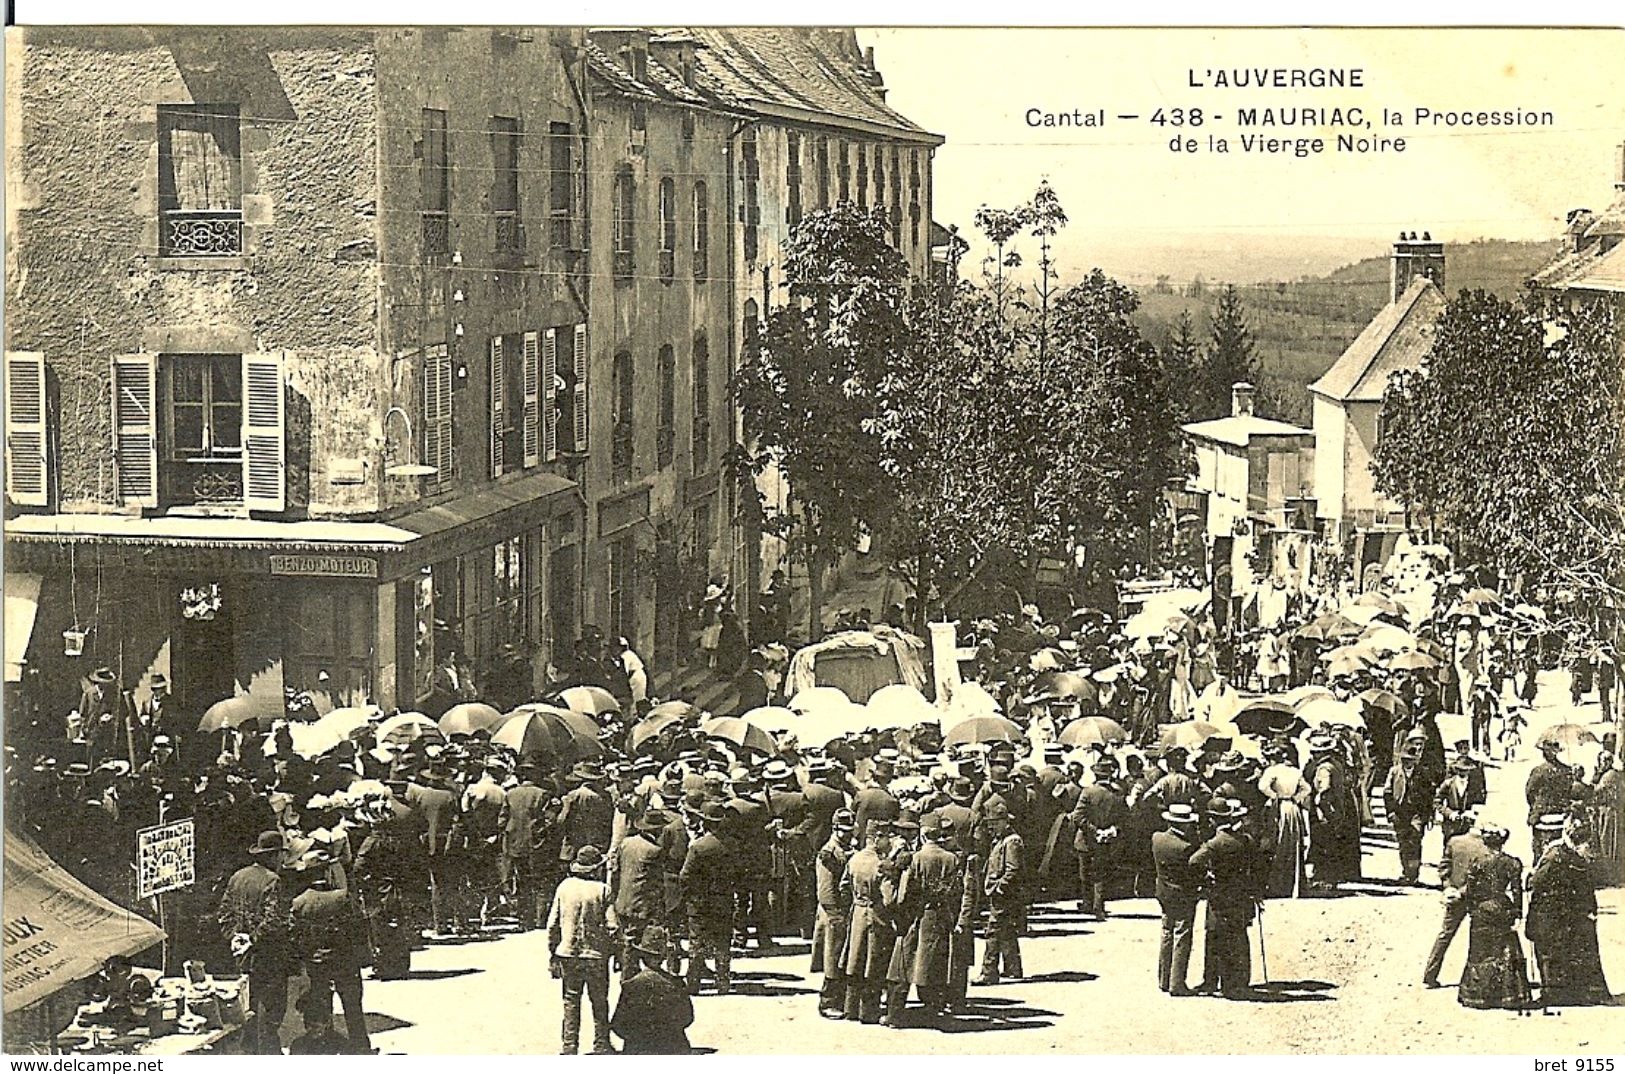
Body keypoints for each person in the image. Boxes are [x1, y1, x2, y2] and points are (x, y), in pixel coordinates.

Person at [288, 850, 373, 1054]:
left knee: (321, 1006)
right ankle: (360, 1049)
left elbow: (294, 937)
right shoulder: (343, 897)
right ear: (327, 873)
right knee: (353, 1007)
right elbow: (359, 930)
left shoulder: (299, 903)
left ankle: (325, 1048)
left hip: (316, 964)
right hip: (345, 962)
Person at [217, 830, 293, 1054]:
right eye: (280, 855)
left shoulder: (237, 877)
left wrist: (234, 937)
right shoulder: (272, 881)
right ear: (273, 856)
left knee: (248, 1004)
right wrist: (252, 939)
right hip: (269, 955)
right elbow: (273, 920)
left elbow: (224, 913)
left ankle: (250, 1052)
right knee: (271, 1009)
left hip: (242, 955)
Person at [1527, 816, 1614, 1006]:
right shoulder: (1571, 855)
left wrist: (1530, 878)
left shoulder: (1553, 855)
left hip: (1550, 912)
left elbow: (1537, 882)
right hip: (1570, 913)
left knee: (1549, 954)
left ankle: (1553, 994)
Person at [901, 815, 975, 1023]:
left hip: (923, 913)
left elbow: (909, 891)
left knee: (921, 958)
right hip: (945, 914)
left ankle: (929, 1002)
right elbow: (959, 891)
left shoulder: (917, 858)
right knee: (940, 959)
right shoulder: (952, 859)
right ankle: (939, 1001)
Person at [547, 845, 617, 1054]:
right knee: (599, 1000)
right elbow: (612, 926)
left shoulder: (564, 887)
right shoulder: (603, 889)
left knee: (571, 999)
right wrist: (612, 949)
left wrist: (553, 952)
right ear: (595, 869)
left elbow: (552, 925)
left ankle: (569, 1046)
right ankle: (601, 1043)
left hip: (569, 953)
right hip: (595, 955)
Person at [1456, 823, 1532, 1010]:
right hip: (1502, 908)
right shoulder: (1512, 863)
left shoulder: (1477, 862)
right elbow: (1517, 890)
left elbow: (1471, 891)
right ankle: (1509, 994)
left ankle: (1480, 994)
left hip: (1482, 910)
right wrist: (1517, 913)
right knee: (1505, 950)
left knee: (1481, 952)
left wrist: (1473, 910)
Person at [1191, 797, 1257, 999]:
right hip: (1241, 894)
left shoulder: (1214, 843)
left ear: (1212, 820)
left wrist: (1207, 876)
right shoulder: (1245, 840)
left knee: (1214, 936)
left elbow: (1194, 861)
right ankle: (1239, 980)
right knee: (1239, 936)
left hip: (1219, 894)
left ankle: (1212, 980)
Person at [1423, 810, 1492, 989]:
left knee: (1445, 934)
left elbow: (1444, 868)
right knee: (1478, 937)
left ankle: (1430, 975)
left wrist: (1448, 887)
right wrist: (1463, 891)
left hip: (1454, 896)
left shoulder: (1454, 841)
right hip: (1476, 898)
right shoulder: (1487, 849)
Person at [842, 819, 897, 1023]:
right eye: (886, 837)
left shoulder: (854, 859)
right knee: (873, 964)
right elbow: (889, 898)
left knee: (855, 961)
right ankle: (869, 1012)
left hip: (857, 913)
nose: (889, 841)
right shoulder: (881, 865)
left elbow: (843, 887)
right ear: (877, 839)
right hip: (876, 916)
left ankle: (850, 1008)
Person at [679, 801, 735, 995]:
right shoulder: (733, 844)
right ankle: (723, 982)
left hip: (699, 902)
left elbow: (685, 876)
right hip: (724, 900)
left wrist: (690, 895)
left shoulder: (698, 846)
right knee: (722, 942)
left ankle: (693, 983)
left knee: (697, 942)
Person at [611, 925, 695, 1054]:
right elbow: (687, 1018)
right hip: (674, 1046)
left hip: (640, 1048)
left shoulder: (633, 985)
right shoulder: (677, 984)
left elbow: (618, 1025)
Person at [1151, 802, 1203, 996]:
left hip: (1163, 891)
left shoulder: (1157, 838)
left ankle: (1164, 979)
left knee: (1167, 932)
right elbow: (1194, 871)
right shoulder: (1186, 847)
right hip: (1183, 893)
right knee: (1182, 935)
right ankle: (1177, 983)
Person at [613, 809, 671, 980]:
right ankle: (629, 977)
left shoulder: (626, 843)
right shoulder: (655, 850)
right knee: (634, 942)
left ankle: (627, 971)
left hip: (623, 899)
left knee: (627, 937)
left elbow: (616, 872)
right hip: (641, 903)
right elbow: (657, 882)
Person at [972, 800, 1024, 985]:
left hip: (1004, 894)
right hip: (1002, 893)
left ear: (1005, 821)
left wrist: (998, 888)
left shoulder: (1012, 841)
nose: (991, 827)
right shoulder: (1001, 839)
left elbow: (1013, 869)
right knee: (1007, 930)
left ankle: (989, 972)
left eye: (994, 823)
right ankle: (1013, 968)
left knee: (993, 932)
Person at [812, 808, 857, 1018]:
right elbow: (826, 889)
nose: (848, 835)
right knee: (833, 957)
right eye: (843, 831)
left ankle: (840, 1000)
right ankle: (828, 1002)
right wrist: (835, 914)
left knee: (842, 958)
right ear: (834, 829)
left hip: (844, 911)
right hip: (833, 913)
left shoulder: (846, 848)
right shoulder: (828, 852)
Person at [1070, 755, 1127, 920]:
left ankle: (1087, 903)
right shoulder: (1117, 793)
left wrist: (1094, 831)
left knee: (1085, 873)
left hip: (1086, 840)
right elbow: (1124, 819)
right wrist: (1110, 831)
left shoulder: (1088, 792)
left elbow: (1077, 817)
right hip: (1106, 840)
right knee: (1101, 873)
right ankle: (1099, 906)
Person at [1385, 729, 1435, 884]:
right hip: (1400, 812)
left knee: (1415, 840)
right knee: (1403, 842)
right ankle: (1406, 871)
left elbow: (1429, 796)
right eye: (1405, 760)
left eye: (1410, 760)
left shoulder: (1423, 774)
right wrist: (1391, 811)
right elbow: (1387, 793)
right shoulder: (1394, 772)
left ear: (1415, 761)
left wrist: (1429, 815)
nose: (1407, 763)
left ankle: (1413, 874)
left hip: (1416, 813)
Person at [1526, 741, 1574, 862]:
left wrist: (1536, 805)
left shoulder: (1538, 771)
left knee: (1539, 851)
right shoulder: (1567, 770)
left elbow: (1530, 792)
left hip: (1542, 815)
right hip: (1561, 815)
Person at [1591, 751, 1622, 888]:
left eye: (1603, 761)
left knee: (1608, 842)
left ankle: (1611, 874)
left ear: (1608, 762)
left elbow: (1597, 792)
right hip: (1605, 812)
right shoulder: (1607, 774)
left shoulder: (1610, 776)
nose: (1601, 764)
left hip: (1610, 813)